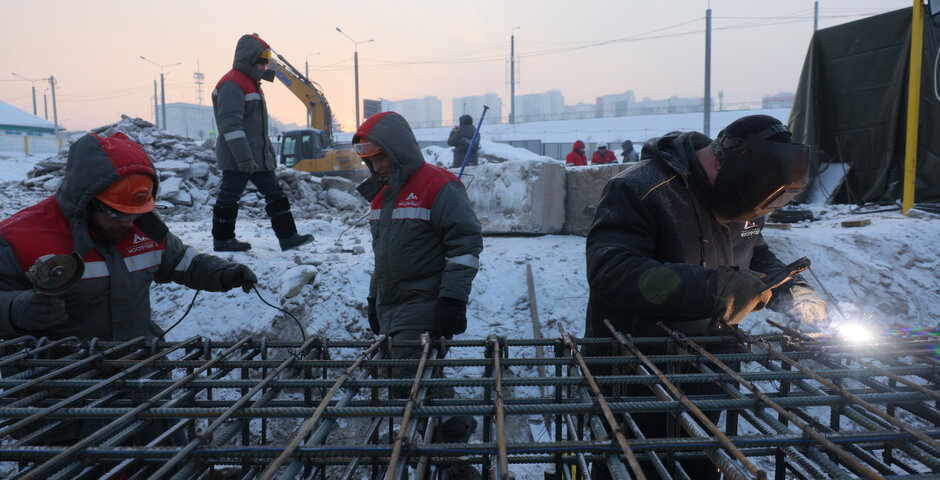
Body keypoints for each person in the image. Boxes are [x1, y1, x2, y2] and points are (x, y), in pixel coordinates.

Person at [584, 115, 826, 478]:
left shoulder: (746, 195)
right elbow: (611, 271)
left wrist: (792, 291)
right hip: (636, 374)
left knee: (700, 466)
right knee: (635, 469)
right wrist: (715, 290)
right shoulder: (639, 188)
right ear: (720, 161)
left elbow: (755, 254)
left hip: (707, 371)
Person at [0, 132, 259, 341]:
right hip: (57, 387)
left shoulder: (143, 227)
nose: (128, 222)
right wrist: (14, 309)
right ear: (87, 201)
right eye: (117, 214)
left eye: (134, 213)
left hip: (137, 373)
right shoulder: (19, 238)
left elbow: (183, 261)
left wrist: (223, 273)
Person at [353, 111, 483, 477]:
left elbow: (466, 244)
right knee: (411, 386)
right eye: (370, 159)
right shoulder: (382, 198)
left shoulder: (438, 186)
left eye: (380, 157)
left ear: (397, 151)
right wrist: (373, 299)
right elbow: (385, 257)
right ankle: (442, 450)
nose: (376, 166)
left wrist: (453, 299)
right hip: (393, 308)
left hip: (425, 303)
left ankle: (451, 458)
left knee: (413, 384)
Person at [211, 33, 313, 252]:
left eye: (267, 58)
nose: (265, 64)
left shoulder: (251, 83)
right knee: (230, 195)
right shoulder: (232, 84)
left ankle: (288, 237)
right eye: (262, 58)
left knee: (275, 194)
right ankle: (222, 239)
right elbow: (231, 126)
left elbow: (255, 127)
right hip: (239, 157)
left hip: (256, 157)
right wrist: (244, 159)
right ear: (248, 58)